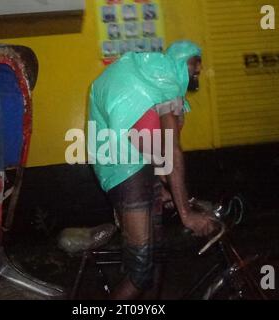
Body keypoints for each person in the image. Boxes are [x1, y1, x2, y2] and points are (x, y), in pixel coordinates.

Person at [88, 40, 215, 300]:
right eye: (194, 61)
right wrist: (187, 214)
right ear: (180, 63)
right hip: (126, 171)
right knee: (140, 273)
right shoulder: (165, 80)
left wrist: (164, 187)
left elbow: (152, 145)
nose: (199, 68)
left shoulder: (155, 77)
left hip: (130, 166)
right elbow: (170, 152)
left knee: (156, 256)